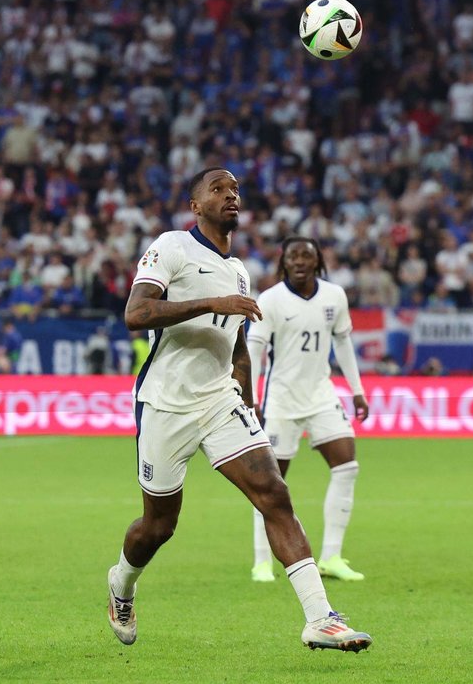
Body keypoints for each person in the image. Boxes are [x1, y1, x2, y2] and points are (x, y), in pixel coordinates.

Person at [107, 168, 371, 652]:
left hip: (219, 401)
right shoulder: (171, 246)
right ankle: (122, 583)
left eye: (235, 190)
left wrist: (243, 388)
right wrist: (215, 301)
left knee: (275, 494)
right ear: (195, 205)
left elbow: (239, 346)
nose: (231, 196)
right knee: (159, 526)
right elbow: (136, 314)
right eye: (218, 189)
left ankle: (320, 618)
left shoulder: (240, 271)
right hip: (165, 404)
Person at [247, 237, 370, 584]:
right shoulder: (270, 300)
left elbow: (343, 343)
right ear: (284, 262)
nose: (300, 261)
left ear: (317, 261)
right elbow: (254, 350)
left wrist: (357, 391)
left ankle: (331, 556)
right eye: (293, 256)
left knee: (347, 466)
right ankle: (262, 562)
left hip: (321, 395)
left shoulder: (335, 296)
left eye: (307, 255)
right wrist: (251, 397)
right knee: (270, 483)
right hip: (281, 400)